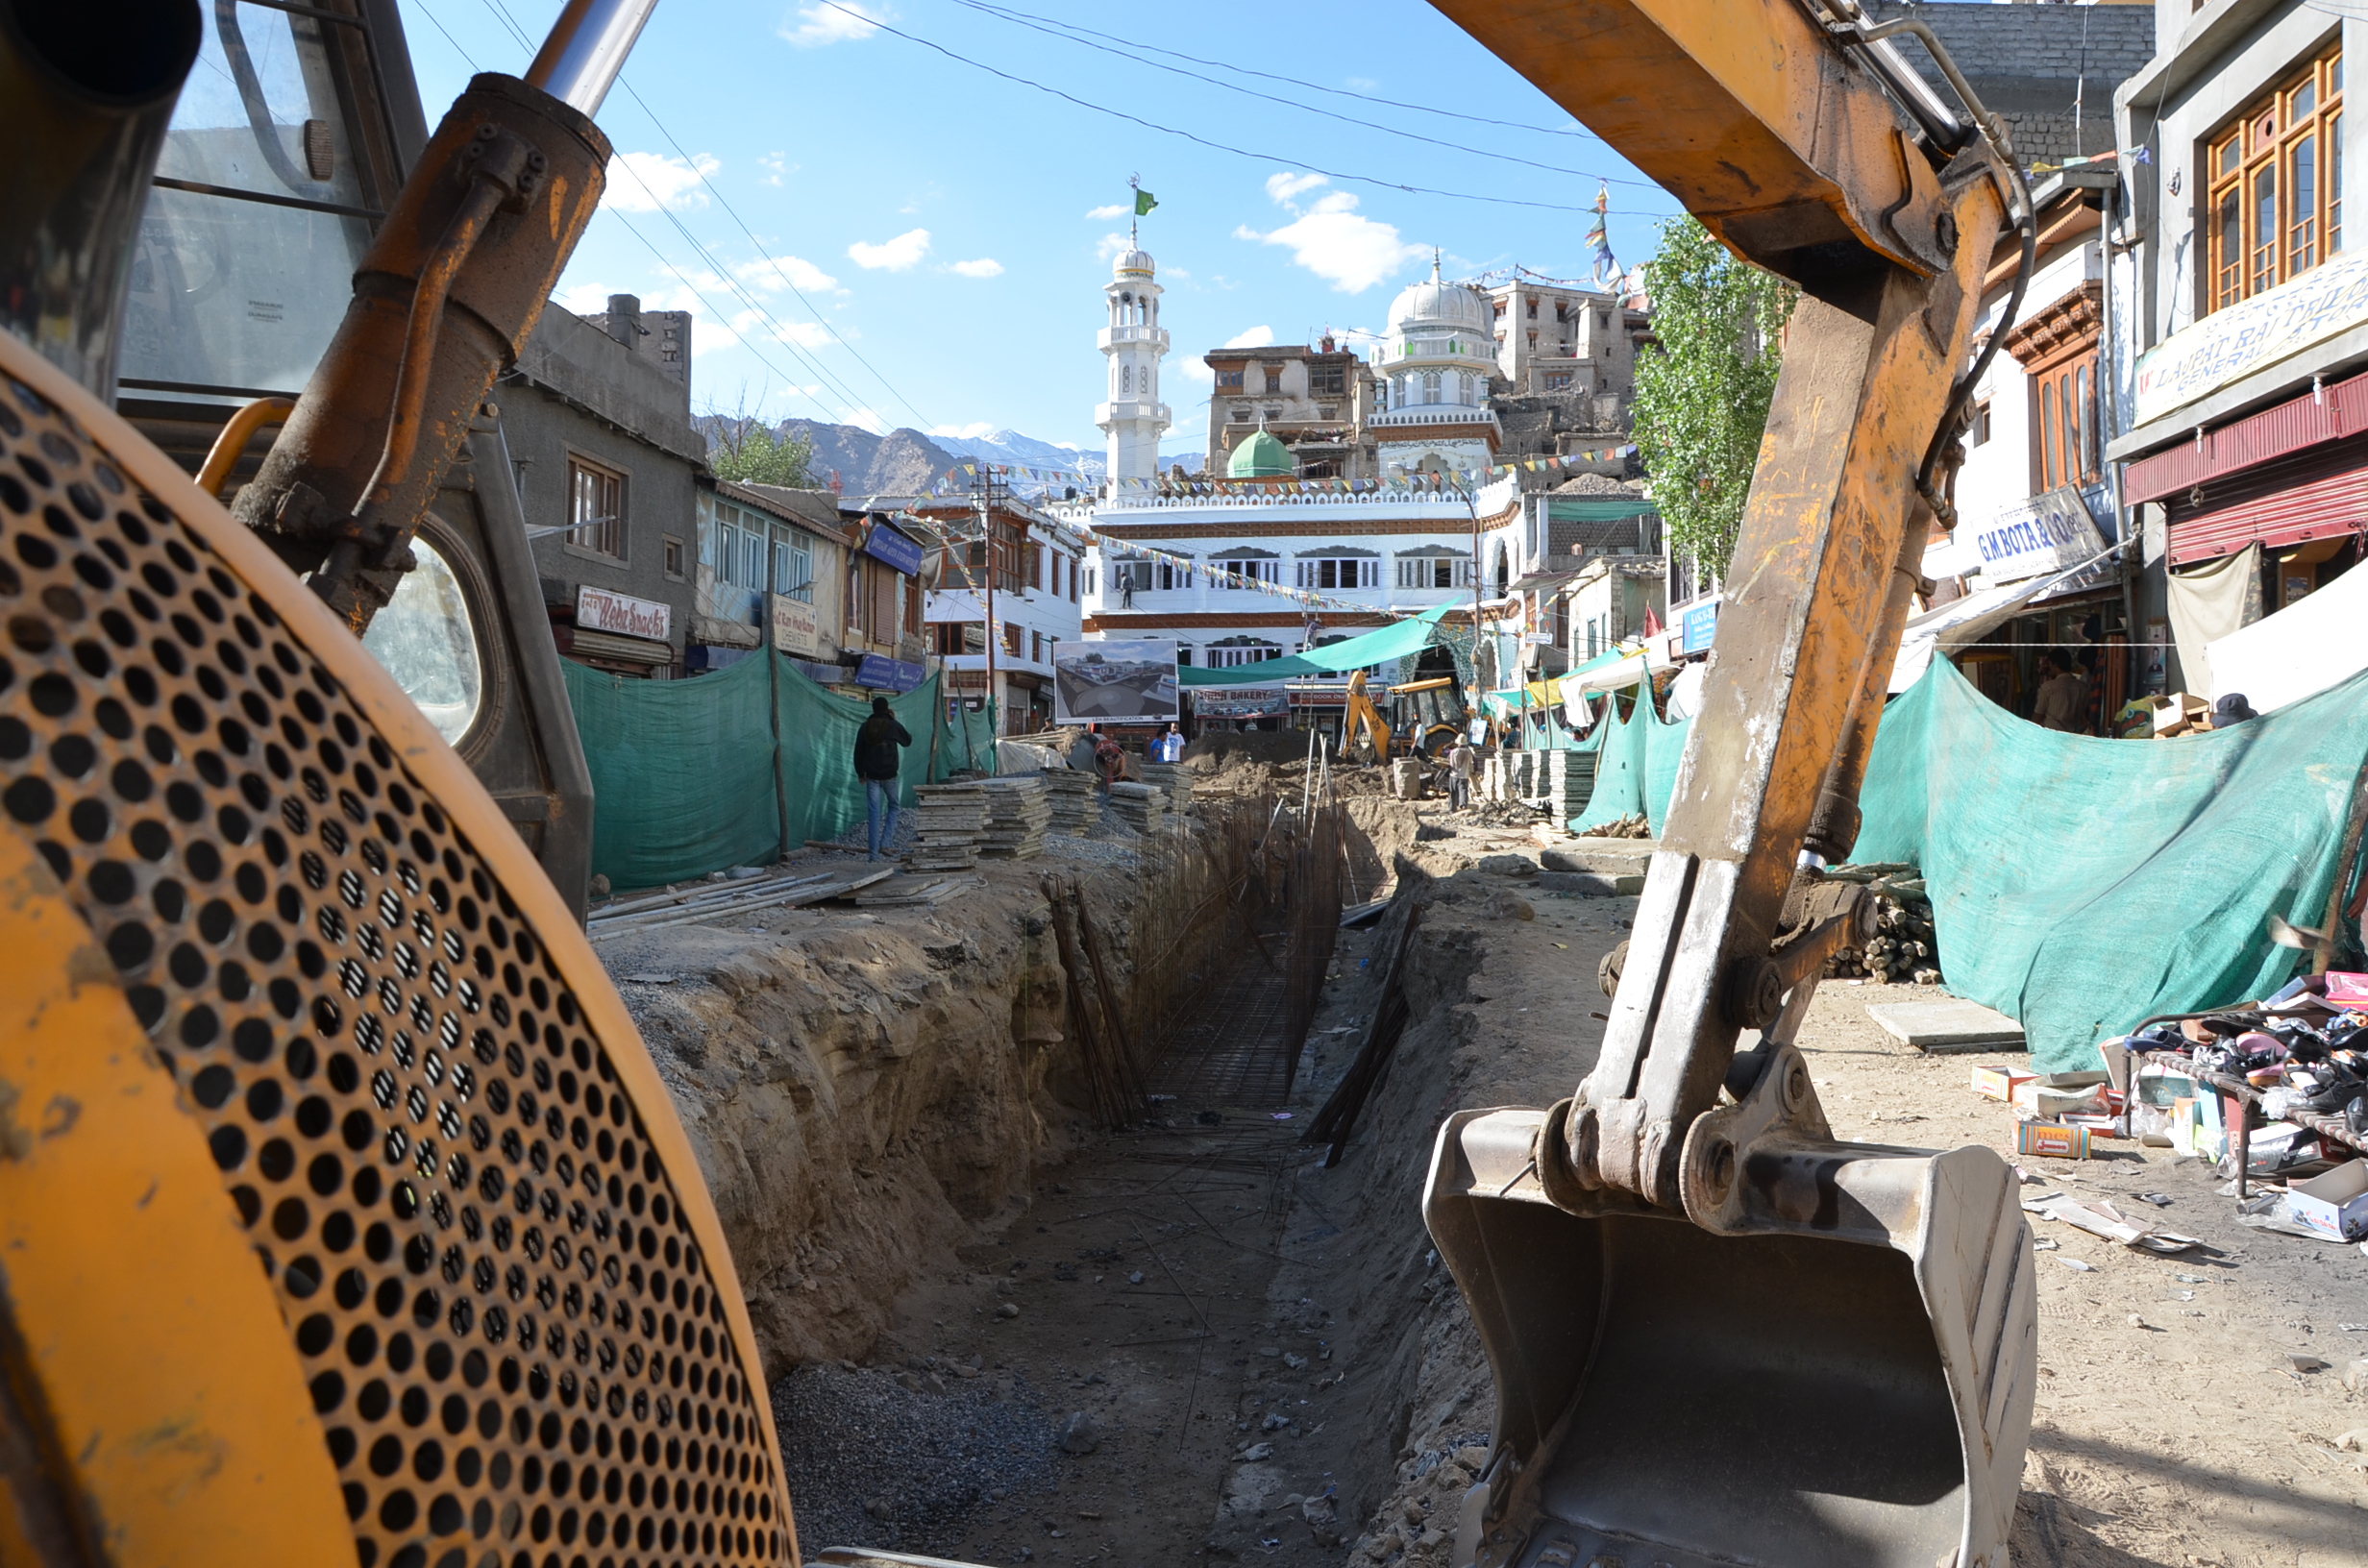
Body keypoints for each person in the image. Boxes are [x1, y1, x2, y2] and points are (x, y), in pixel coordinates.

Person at [852, 696, 911, 861]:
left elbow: (858, 752)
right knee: (893, 807)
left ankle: (873, 855)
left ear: (873, 709)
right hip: (889, 775)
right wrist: (894, 720)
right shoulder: (892, 725)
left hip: (871, 776)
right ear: (886, 709)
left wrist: (860, 773)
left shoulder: (865, 727)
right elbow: (907, 741)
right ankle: (885, 843)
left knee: (874, 813)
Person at [2031, 650, 2086, 733]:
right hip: (2073, 736)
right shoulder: (2083, 687)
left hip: (2051, 734)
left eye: (2050, 665)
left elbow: (2038, 716)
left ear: (2055, 665)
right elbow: (2085, 716)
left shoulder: (2048, 687)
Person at [1446, 737, 1475, 810]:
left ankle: (1452, 808)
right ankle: (1463, 805)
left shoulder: (1453, 752)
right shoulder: (1468, 752)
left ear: (1458, 743)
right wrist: (1472, 771)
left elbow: (1452, 765)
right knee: (1463, 790)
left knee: (1453, 791)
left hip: (1454, 775)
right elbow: (1470, 763)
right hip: (1464, 775)